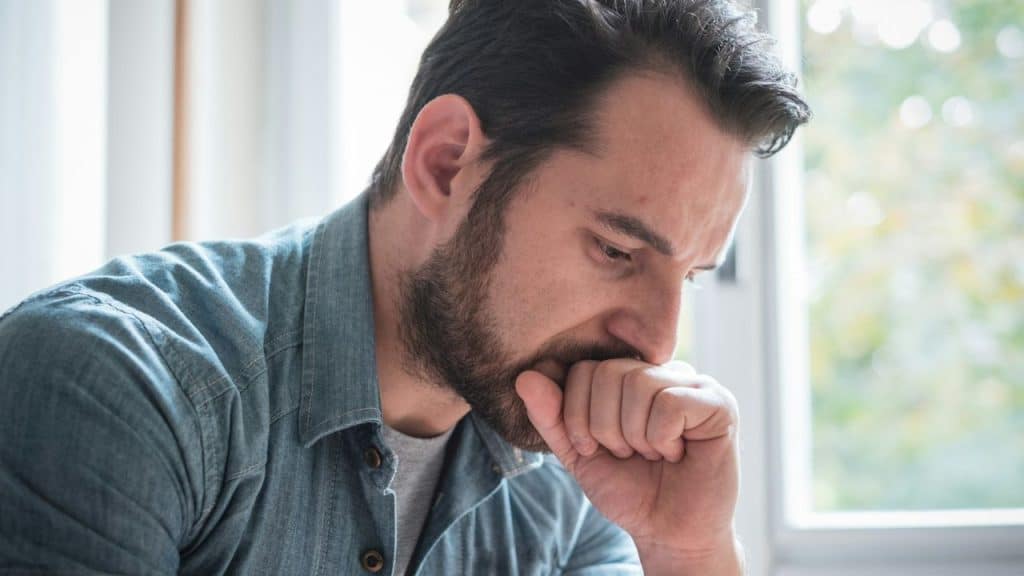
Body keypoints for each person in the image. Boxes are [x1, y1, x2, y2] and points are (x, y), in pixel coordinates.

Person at [0, 0, 810, 574]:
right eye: (615, 250)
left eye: (691, 277)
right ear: (446, 161)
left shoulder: (581, 472)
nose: (659, 341)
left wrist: (688, 552)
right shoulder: (115, 388)